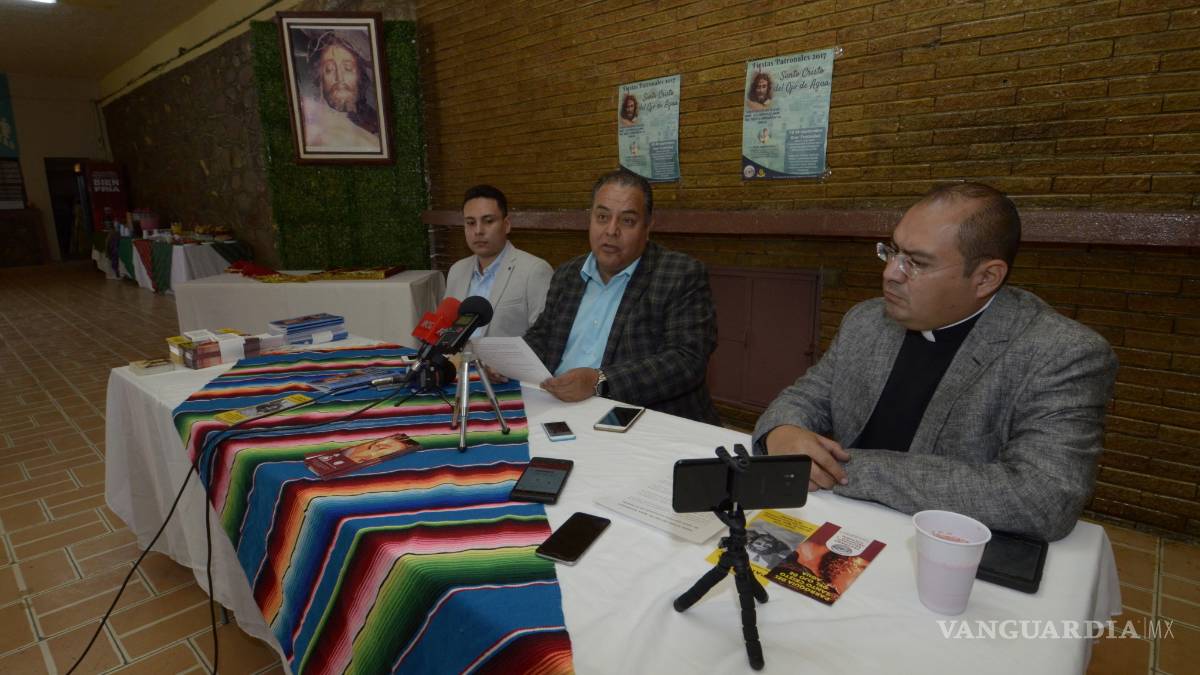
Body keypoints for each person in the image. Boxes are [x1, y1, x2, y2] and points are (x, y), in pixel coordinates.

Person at [753, 182, 1117, 542]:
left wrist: (843, 469)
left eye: (916, 262)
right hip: (845, 526)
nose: (890, 273)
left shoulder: (1062, 353)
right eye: (893, 251)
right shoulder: (866, 320)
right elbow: (805, 397)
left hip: (947, 546)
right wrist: (782, 432)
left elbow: (1044, 498)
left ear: (986, 278)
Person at [523, 170, 720, 424]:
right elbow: (543, 336)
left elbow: (686, 361)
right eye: (602, 217)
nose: (611, 230)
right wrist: (507, 362)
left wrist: (599, 382)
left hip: (641, 420)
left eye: (627, 221)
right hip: (559, 408)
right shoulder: (567, 274)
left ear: (648, 227)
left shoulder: (680, 275)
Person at [444, 185, 553, 338]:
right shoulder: (457, 270)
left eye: (488, 221)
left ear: (506, 225)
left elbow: (545, 338)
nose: (478, 231)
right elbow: (446, 329)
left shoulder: (534, 271)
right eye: (471, 223)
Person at [300, 31, 382, 151]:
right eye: (329, 69)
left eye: (348, 68)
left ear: (360, 76)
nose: (339, 77)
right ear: (320, 80)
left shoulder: (378, 120)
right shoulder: (312, 129)